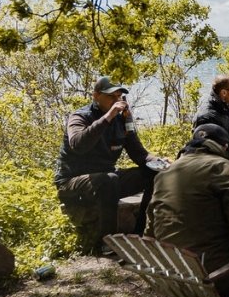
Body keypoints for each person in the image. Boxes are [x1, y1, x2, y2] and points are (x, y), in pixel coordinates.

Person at [145, 124, 229, 297]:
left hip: (176, 282)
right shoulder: (222, 168)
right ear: (223, 147)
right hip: (219, 284)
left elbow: (150, 234)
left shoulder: (165, 173)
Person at [55, 76, 162, 254]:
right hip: (72, 182)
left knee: (153, 173)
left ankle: (141, 233)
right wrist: (109, 116)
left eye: (119, 97)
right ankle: (106, 242)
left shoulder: (121, 121)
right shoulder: (80, 117)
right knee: (109, 180)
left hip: (106, 181)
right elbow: (78, 145)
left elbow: (139, 154)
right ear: (96, 96)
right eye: (111, 97)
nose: (117, 101)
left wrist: (159, 162)